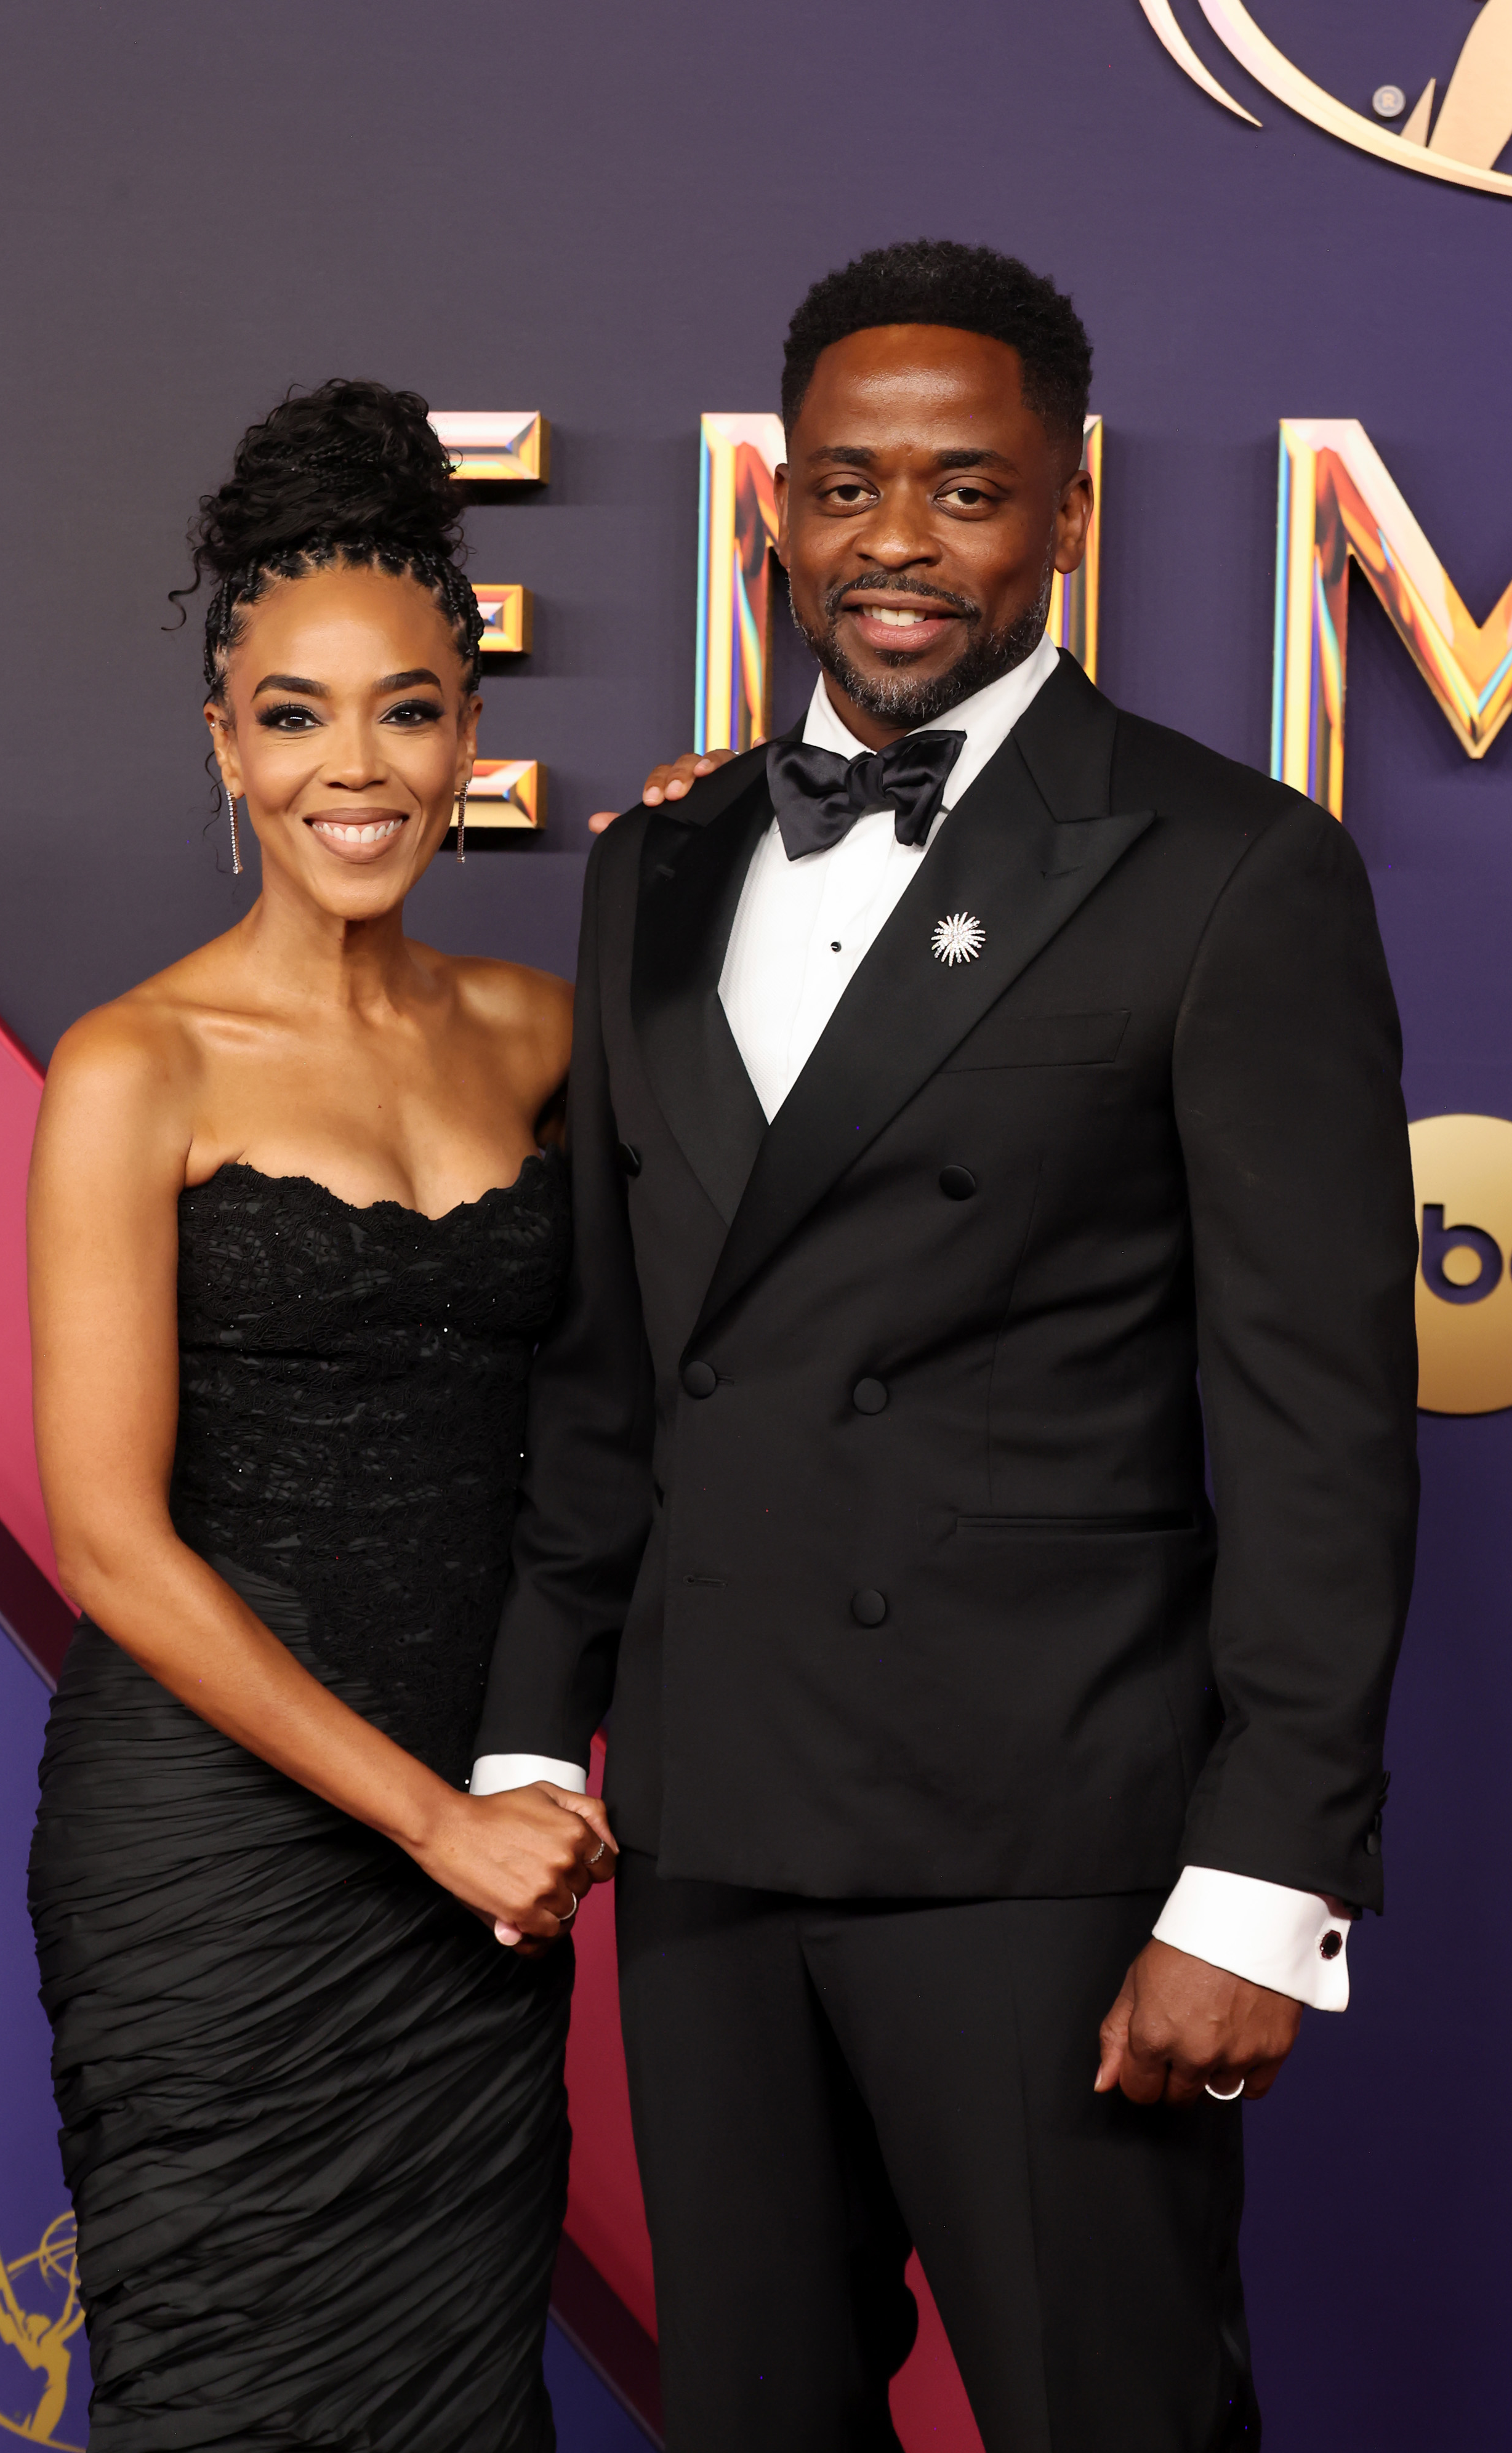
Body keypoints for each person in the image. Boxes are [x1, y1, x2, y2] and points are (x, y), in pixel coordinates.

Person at [471, 243, 1419, 2450]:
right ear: (775, 512)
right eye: (845, 484)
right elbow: (616, 1365)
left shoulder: (1227, 866)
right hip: (708, 1827)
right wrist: (536, 1733)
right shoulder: (661, 866)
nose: (897, 542)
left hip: (1050, 1845)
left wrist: (1262, 1885)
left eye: (966, 490)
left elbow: (1316, 1429)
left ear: (1067, 514)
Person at [26, 379, 616, 2453]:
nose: (352, 770)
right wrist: (432, 1815)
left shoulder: (547, 1037)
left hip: (471, 1882)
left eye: (404, 711)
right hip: (222, 1848)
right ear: (224, 741)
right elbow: (110, 1543)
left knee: (458, 2406)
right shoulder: (136, 1064)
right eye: (294, 715)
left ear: (468, 726)